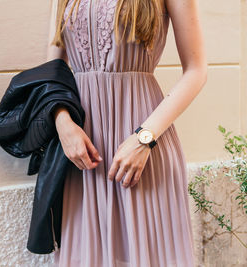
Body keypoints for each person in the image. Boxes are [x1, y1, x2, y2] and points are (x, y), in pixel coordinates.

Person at [46, 0, 207, 266]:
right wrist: (63, 124)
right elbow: (51, 72)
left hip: (143, 146)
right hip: (81, 154)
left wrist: (144, 138)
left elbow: (196, 70)